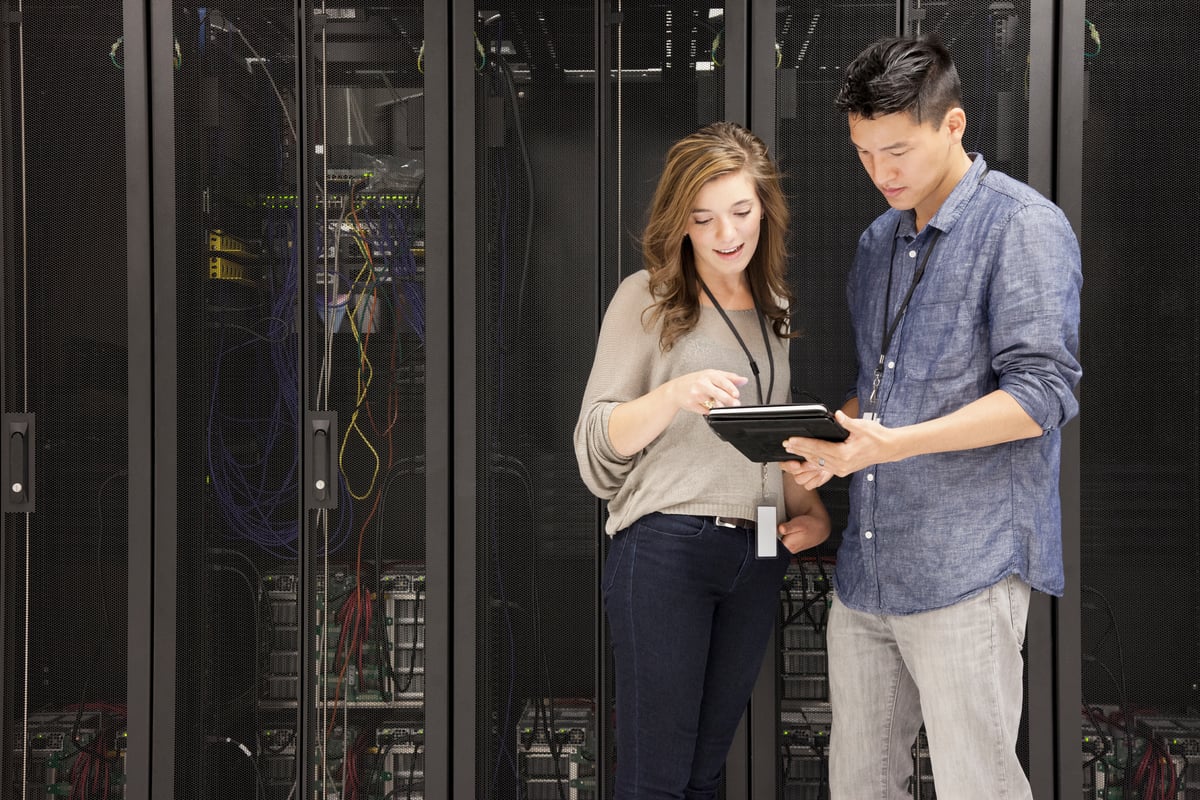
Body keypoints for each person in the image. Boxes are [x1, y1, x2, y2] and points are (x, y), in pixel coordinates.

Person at [779, 35, 1082, 799]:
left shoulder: (1023, 227)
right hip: (868, 576)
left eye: (898, 151)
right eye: (863, 153)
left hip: (967, 571)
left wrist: (892, 445)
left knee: (977, 787)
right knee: (858, 787)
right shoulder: (878, 242)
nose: (881, 173)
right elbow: (877, 390)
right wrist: (835, 444)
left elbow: (1043, 394)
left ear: (954, 126)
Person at [574, 121, 831, 799]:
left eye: (742, 212)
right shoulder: (647, 297)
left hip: (761, 552)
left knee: (706, 773)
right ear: (679, 220)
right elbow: (595, 445)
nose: (726, 234)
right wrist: (673, 396)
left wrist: (811, 513)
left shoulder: (774, 309)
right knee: (656, 779)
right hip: (668, 545)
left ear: (765, 210)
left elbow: (765, 451)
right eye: (704, 217)